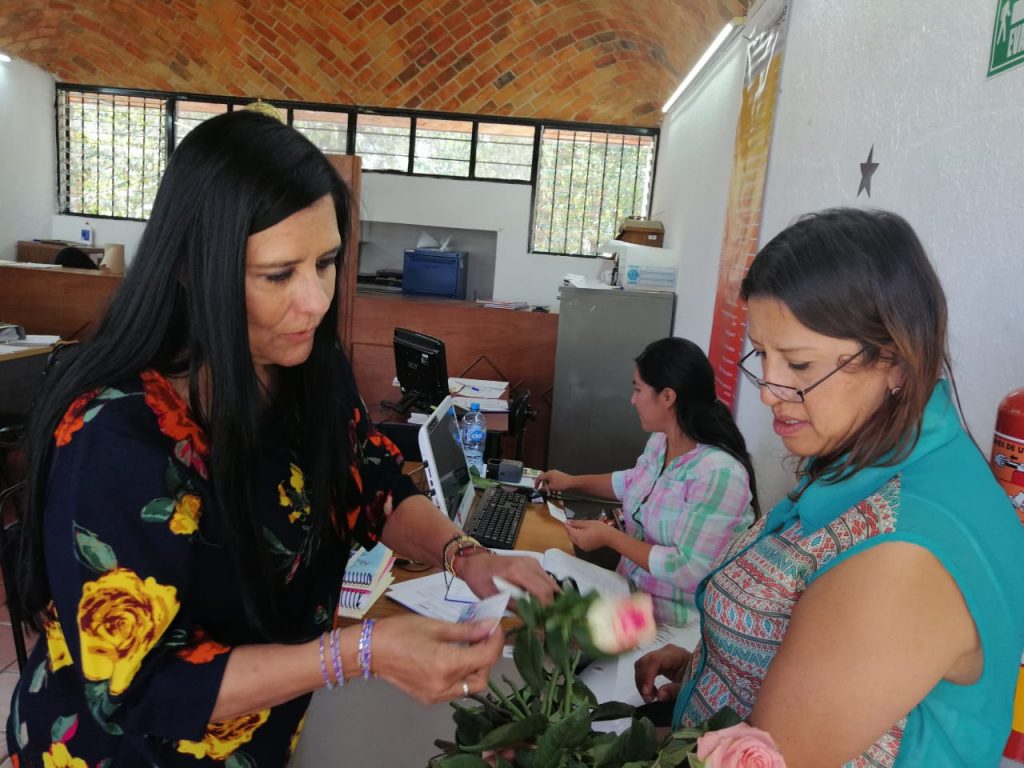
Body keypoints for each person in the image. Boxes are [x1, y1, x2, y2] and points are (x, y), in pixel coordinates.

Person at [7, 110, 556, 766]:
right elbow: (137, 686)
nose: (316, 301)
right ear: (192, 269)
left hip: (261, 736)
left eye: (325, 262)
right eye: (277, 275)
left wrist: (466, 557)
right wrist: (362, 651)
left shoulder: (308, 371)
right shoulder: (115, 440)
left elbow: (371, 480)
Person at [634, 208, 1024, 767]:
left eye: (798, 364)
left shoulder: (904, 550)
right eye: (762, 355)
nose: (769, 390)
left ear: (896, 361)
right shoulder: (862, 453)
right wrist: (716, 664)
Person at [536, 337, 758, 626]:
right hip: (625, 593)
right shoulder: (661, 441)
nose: (633, 400)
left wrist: (610, 538)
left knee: (545, 622)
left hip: (672, 622)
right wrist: (570, 482)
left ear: (667, 397)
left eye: (638, 389)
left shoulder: (718, 473)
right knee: (536, 589)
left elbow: (688, 569)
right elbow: (633, 482)